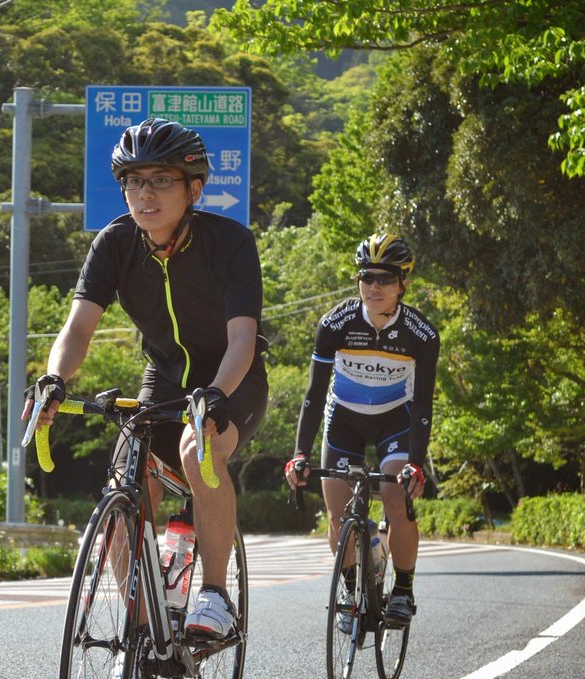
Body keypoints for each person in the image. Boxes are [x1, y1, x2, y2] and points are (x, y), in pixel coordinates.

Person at [24, 118, 268, 642]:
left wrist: (217, 396)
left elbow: (243, 338)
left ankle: (215, 596)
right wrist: (53, 379)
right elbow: (78, 328)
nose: (145, 194)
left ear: (194, 189)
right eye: (133, 182)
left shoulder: (230, 242)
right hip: (164, 377)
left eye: (160, 180)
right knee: (122, 488)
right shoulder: (114, 244)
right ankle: (141, 630)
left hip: (232, 377)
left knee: (197, 450)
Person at [284, 234, 438, 628]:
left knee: (397, 500)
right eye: (367, 277)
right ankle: (352, 590)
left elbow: (423, 405)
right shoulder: (336, 324)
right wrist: (299, 454)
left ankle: (403, 590)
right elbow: (313, 394)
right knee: (338, 514)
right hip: (344, 420)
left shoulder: (421, 333)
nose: (374, 287)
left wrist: (416, 464)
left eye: (385, 279)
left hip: (395, 420)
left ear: (402, 284)